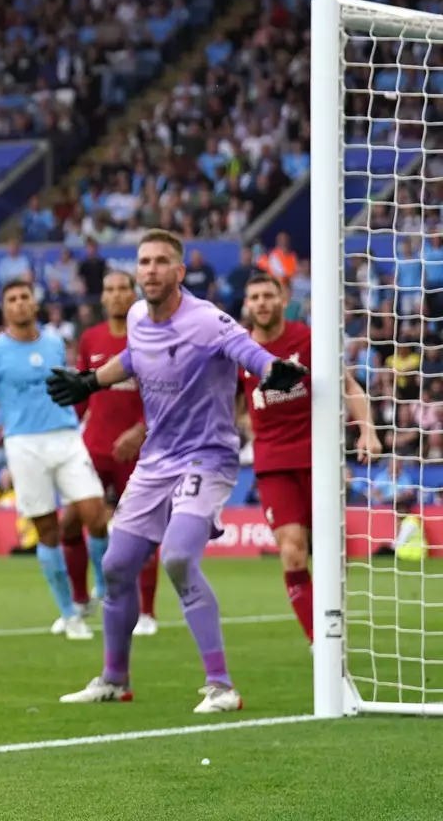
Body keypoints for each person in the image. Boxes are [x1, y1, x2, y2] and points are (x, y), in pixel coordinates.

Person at [48, 229, 308, 713]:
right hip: (156, 460)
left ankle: (221, 686)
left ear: (180, 272)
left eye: (161, 261)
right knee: (116, 565)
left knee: (179, 558)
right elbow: (133, 358)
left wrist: (273, 368)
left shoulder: (207, 319)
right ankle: (113, 679)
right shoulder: (137, 317)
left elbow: (244, 348)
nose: (149, 269)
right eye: (144, 261)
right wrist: (89, 380)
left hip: (206, 456)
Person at [0, 279, 110, 640]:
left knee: (95, 514)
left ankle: (102, 588)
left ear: (35, 305)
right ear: (5, 309)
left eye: (25, 298)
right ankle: (69, 614)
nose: (20, 304)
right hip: (24, 445)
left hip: (66, 437)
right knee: (47, 530)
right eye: (12, 299)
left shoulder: (54, 343)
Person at [239, 272, 379, 644]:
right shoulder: (239, 351)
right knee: (292, 550)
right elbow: (229, 405)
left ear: (283, 298)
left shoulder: (309, 339)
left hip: (320, 458)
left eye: (268, 295)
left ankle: (333, 621)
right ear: (247, 304)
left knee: (333, 552)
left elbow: (350, 386)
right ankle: (322, 641)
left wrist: (368, 430)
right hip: (273, 465)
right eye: (254, 297)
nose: (262, 303)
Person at [71, 270, 160, 637]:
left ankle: (148, 613)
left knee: (144, 529)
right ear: (103, 298)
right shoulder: (90, 338)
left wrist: (140, 429)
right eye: (109, 290)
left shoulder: (149, 336)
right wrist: (68, 432)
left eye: (123, 288)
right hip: (94, 447)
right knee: (73, 521)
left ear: (134, 294)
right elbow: (79, 390)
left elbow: (160, 391)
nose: (117, 295)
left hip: (137, 450)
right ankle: (78, 601)